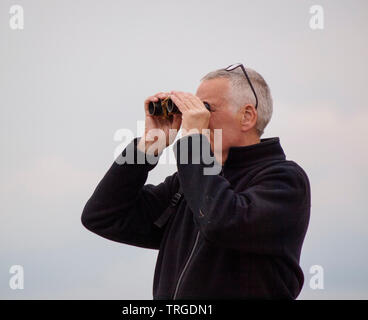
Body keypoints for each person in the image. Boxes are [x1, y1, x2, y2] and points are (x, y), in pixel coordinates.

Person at [81, 64, 311, 299]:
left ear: (247, 116)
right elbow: (102, 216)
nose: (195, 118)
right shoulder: (187, 185)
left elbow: (220, 222)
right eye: (193, 110)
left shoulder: (285, 181)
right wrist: (147, 148)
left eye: (205, 109)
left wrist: (193, 144)